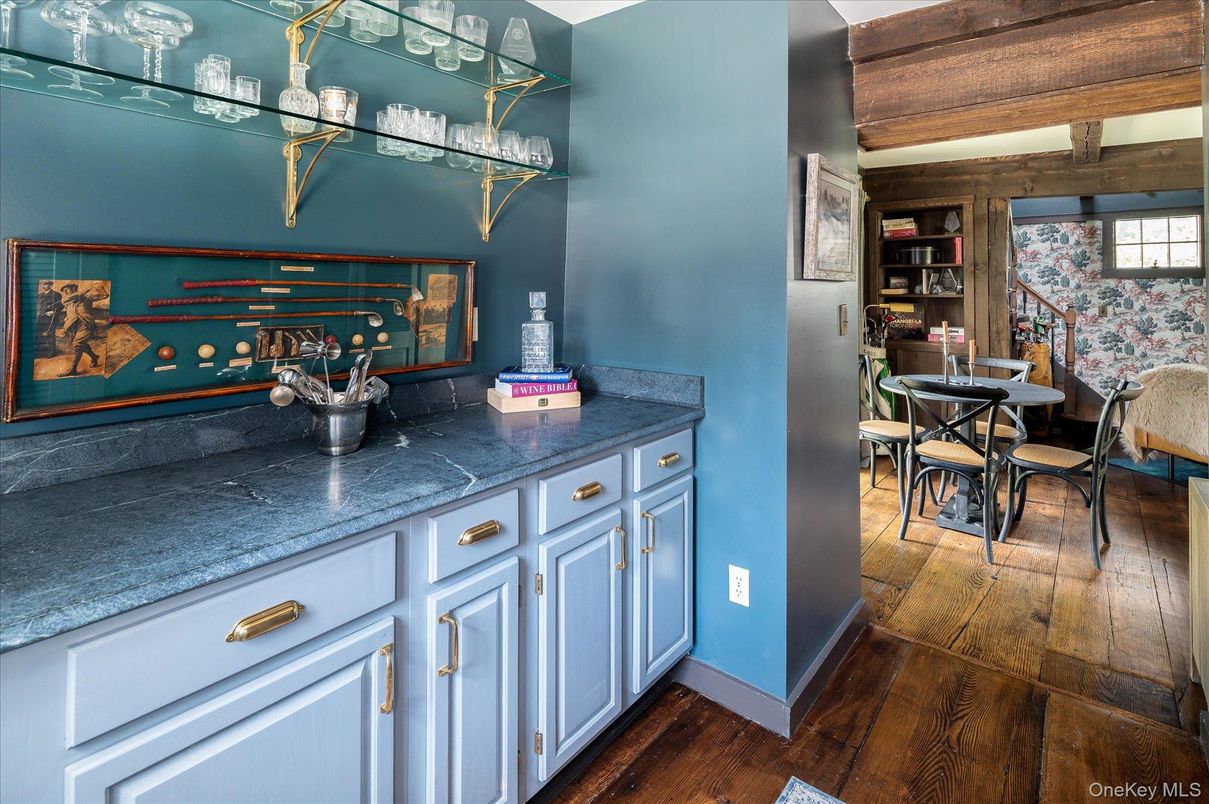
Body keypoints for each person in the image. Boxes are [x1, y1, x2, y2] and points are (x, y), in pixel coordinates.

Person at [54, 282, 108, 377]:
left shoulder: (88, 297)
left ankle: (73, 369)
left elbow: (104, 295)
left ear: (74, 288)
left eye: (68, 289)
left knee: (77, 344)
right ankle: (94, 357)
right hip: (71, 325)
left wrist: (99, 287)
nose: (66, 291)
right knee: (80, 345)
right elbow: (76, 296)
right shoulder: (66, 299)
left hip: (85, 324)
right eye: (64, 290)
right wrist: (89, 288)